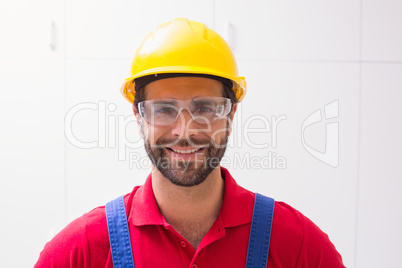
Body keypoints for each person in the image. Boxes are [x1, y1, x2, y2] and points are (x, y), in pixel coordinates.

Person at [35, 18, 345, 267]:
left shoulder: (298, 246)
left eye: (205, 108)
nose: (185, 131)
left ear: (231, 114)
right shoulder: (79, 252)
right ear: (138, 116)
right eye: (165, 109)